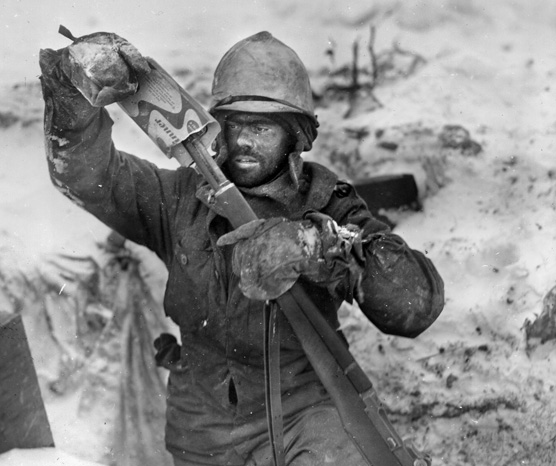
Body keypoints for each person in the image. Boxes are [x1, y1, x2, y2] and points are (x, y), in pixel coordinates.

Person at [39, 31, 444, 466]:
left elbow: (415, 304)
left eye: (262, 127)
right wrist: (71, 94)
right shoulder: (180, 198)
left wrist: (319, 247)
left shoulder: (328, 203)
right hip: (203, 431)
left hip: (304, 419)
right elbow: (84, 176)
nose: (245, 141)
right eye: (234, 125)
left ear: (295, 136)